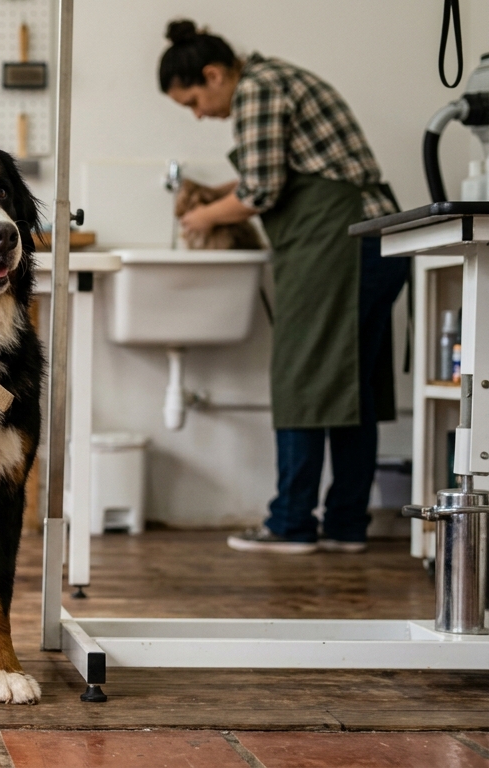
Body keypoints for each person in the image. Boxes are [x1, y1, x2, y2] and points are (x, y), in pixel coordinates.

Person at [158, 19, 407, 554]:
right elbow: (279, 173)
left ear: (214, 73)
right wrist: (216, 191)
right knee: (350, 390)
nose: (200, 114)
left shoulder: (259, 89)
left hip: (342, 245)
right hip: (371, 245)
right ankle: (344, 524)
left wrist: (203, 219)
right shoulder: (276, 80)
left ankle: (291, 523)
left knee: (303, 379)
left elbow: (262, 190)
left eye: (194, 101)